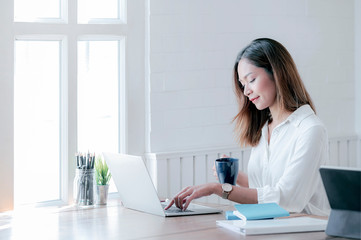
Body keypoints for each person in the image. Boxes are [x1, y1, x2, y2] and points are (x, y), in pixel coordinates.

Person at [165, 38, 330, 216]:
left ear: (277, 73)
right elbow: (266, 190)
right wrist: (238, 177)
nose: (246, 91)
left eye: (251, 80)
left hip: (305, 230)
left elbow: (287, 199)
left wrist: (219, 189)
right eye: (242, 84)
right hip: (268, 227)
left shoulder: (310, 129)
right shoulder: (265, 129)